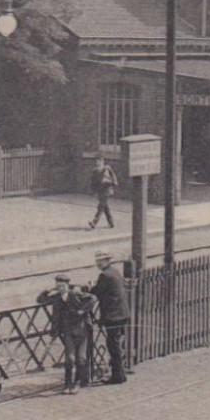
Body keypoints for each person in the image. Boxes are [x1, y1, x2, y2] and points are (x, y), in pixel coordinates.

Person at [39, 274, 97, 394]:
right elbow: (40, 300)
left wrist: (82, 310)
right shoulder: (56, 297)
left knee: (81, 359)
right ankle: (67, 384)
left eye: (62, 286)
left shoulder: (75, 294)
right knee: (69, 359)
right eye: (58, 286)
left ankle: (78, 383)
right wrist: (48, 290)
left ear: (67, 285)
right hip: (68, 331)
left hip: (82, 330)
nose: (60, 288)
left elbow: (93, 298)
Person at [90, 251, 130, 384]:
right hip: (121, 313)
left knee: (113, 345)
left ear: (108, 261)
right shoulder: (115, 271)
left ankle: (118, 376)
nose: (98, 264)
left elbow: (97, 291)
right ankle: (120, 373)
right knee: (116, 343)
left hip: (113, 315)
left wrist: (89, 288)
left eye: (101, 261)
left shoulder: (105, 275)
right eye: (97, 261)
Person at [87, 157, 118, 229]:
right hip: (100, 192)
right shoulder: (95, 171)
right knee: (105, 207)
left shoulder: (107, 169)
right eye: (97, 161)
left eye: (100, 161)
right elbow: (93, 183)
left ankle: (94, 222)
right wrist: (94, 192)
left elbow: (115, 181)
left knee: (100, 207)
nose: (98, 163)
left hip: (106, 191)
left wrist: (107, 182)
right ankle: (111, 223)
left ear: (103, 162)